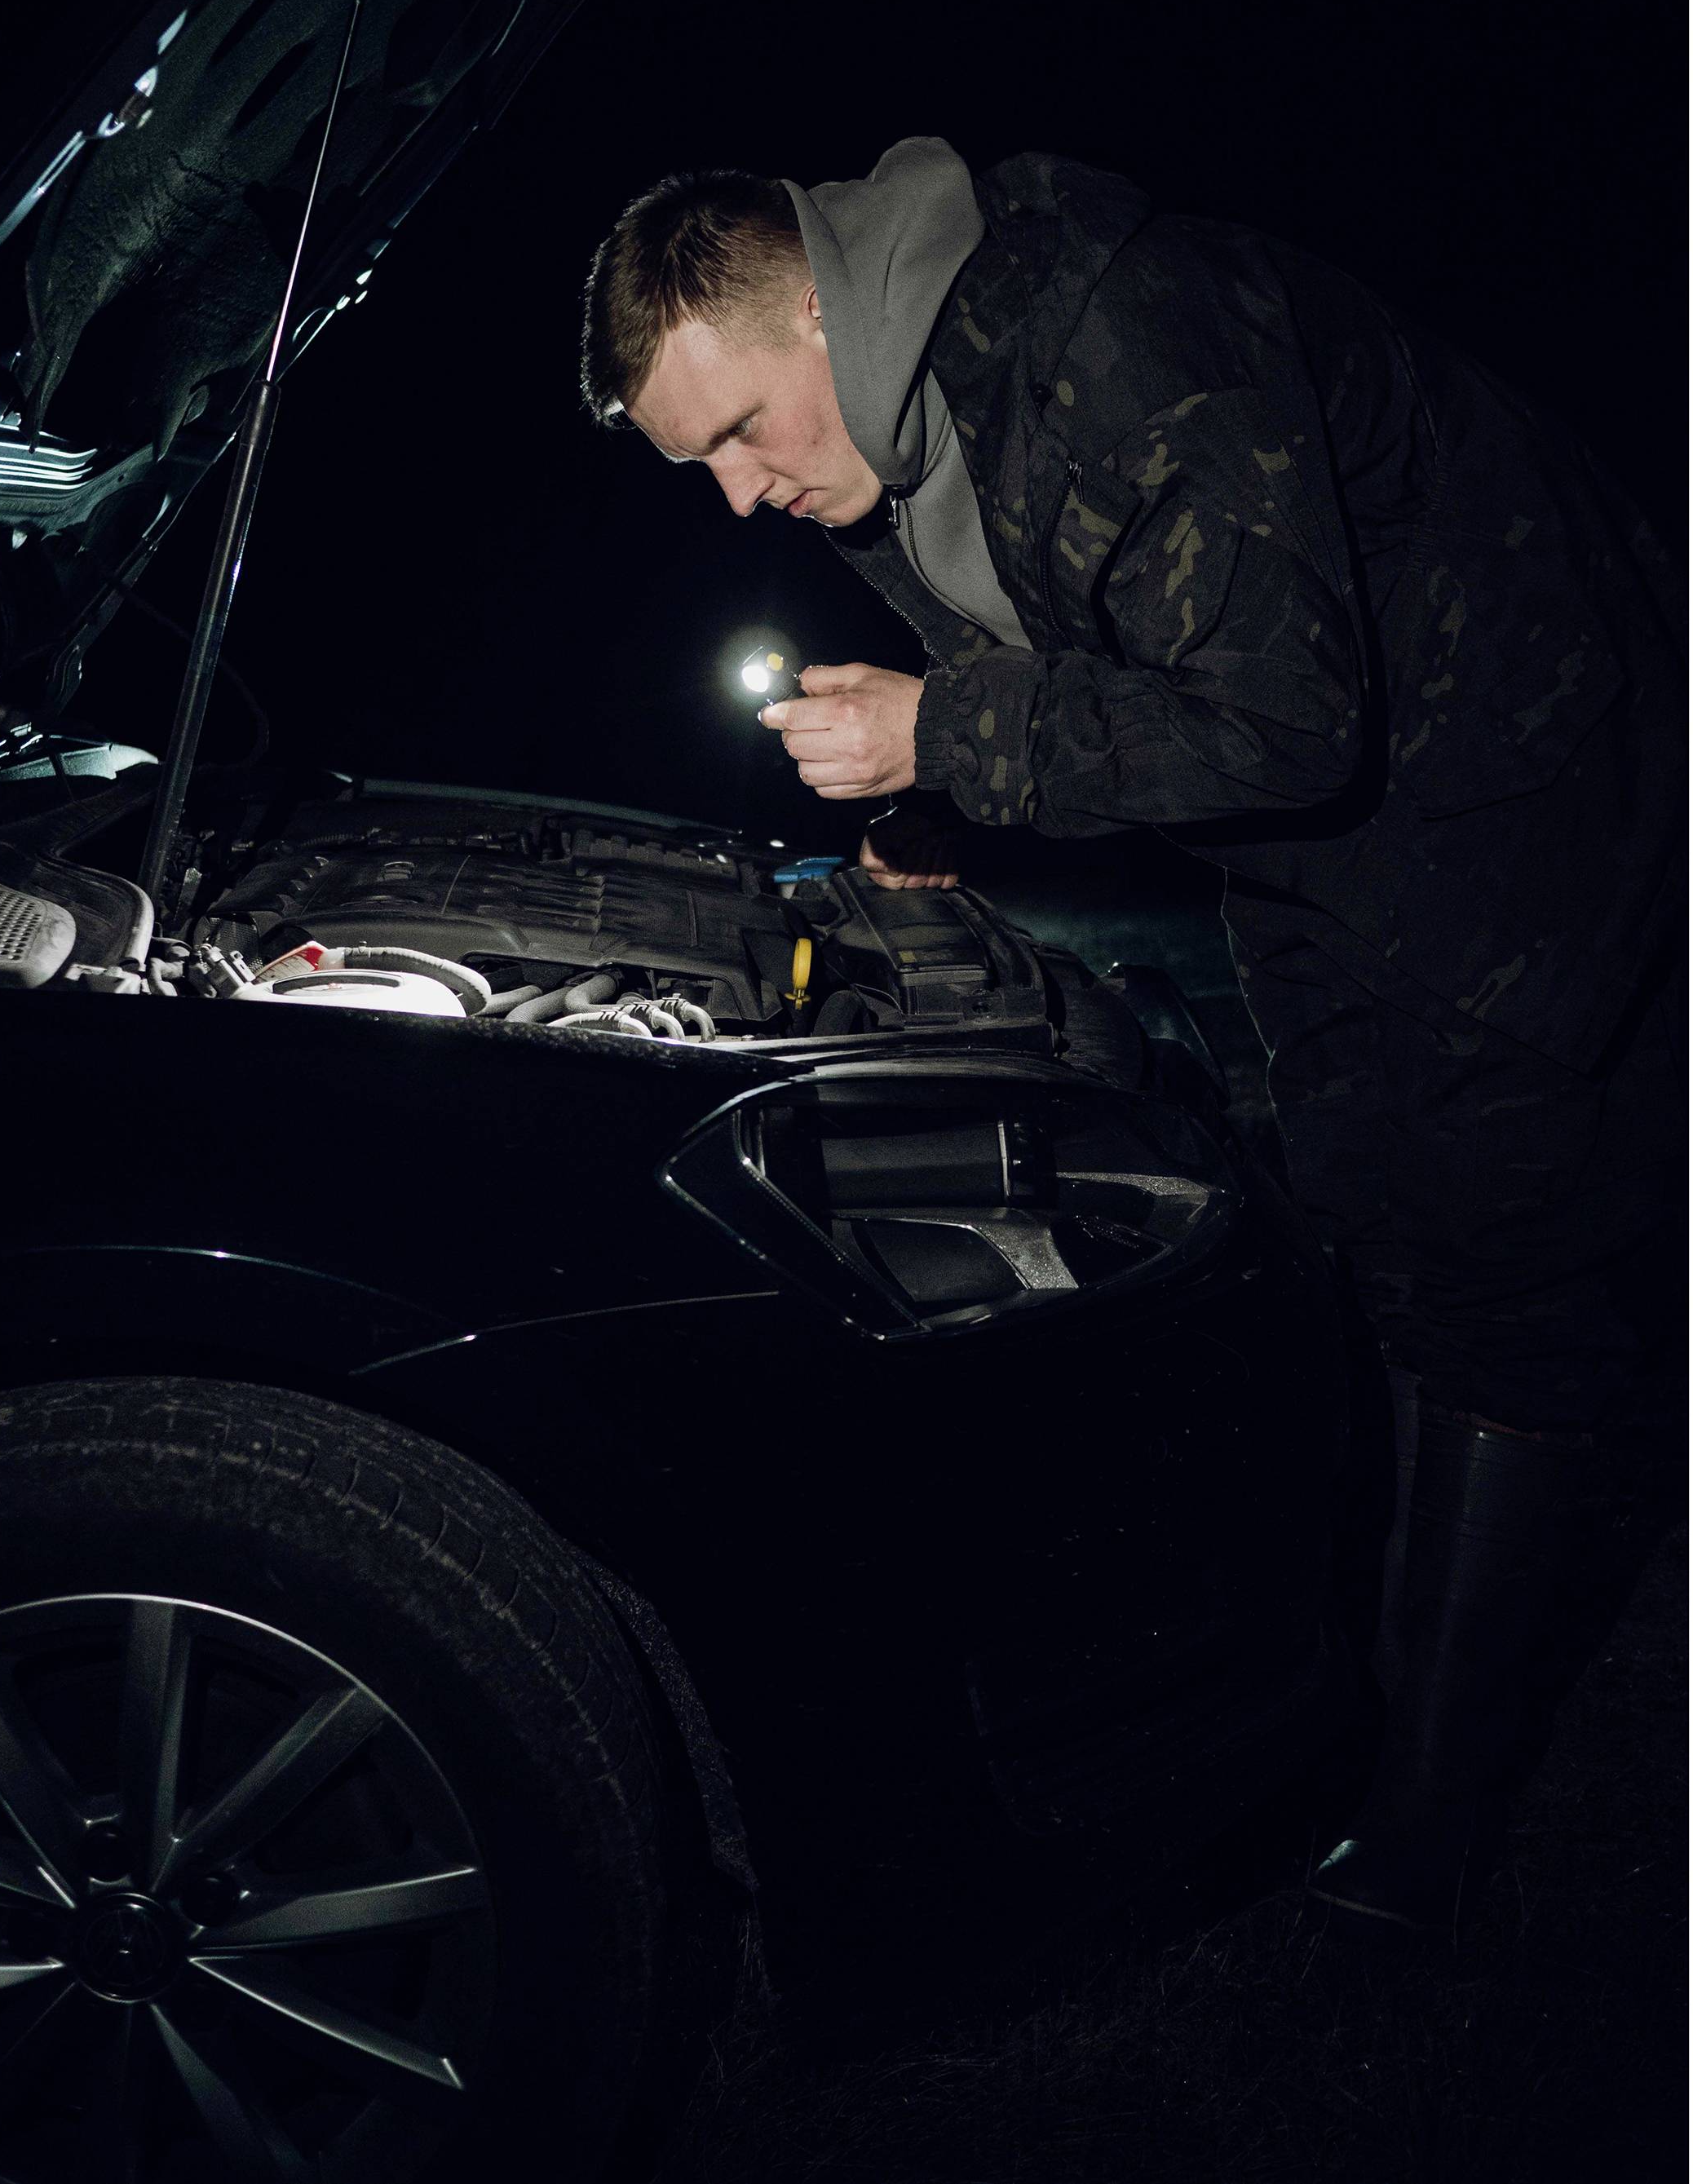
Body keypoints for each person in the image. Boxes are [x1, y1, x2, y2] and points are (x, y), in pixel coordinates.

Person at [579, 139, 1682, 1934]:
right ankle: (1370, 1728)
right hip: (1330, 847)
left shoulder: (1108, 333)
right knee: (1381, 1227)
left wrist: (948, 741)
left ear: (817, 303)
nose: (736, 492)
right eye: (693, 463)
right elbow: (1086, 674)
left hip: (1516, 790)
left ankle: (1426, 1831)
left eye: (739, 427)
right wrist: (942, 804)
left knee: (1500, 1275)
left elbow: (1277, 713)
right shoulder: (875, 452)